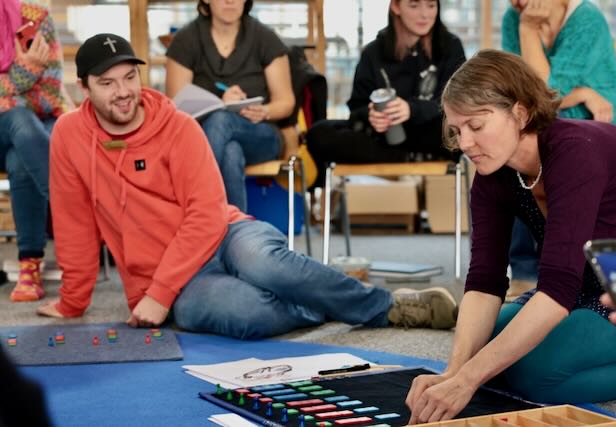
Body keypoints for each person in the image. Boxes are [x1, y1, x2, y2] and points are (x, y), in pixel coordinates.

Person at [35, 33, 458, 339]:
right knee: (243, 312)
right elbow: (74, 221)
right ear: (82, 88)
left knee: (266, 265)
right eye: (107, 83)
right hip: (168, 277)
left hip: (223, 233)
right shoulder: (70, 136)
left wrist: (159, 295)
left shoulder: (178, 126)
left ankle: (387, 306)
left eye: (130, 78)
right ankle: (324, 300)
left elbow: (206, 214)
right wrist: (73, 301)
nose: (123, 92)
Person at [405, 50, 616, 423]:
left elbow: (557, 288)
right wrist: (455, 371)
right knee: (490, 343)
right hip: (589, 281)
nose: (464, 143)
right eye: (457, 130)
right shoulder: (494, 172)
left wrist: (468, 379)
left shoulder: (574, 151)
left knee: (534, 371)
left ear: (520, 112)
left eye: (476, 126)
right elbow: (485, 281)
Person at [502, 0, 616, 298]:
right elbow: (515, 90)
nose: (517, 2)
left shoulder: (587, 19)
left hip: (601, 127)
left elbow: (545, 92)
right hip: (548, 125)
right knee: (517, 165)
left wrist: (528, 31)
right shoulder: (514, 16)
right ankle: (526, 273)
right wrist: (583, 93)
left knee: (591, 210)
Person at [305, 0, 465, 187]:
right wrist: (371, 115)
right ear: (396, 7)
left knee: (456, 132)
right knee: (319, 132)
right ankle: (408, 157)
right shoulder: (373, 52)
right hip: (383, 137)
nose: (425, 14)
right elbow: (356, 107)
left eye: (431, 6)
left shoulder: (451, 46)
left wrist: (411, 109)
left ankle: (410, 155)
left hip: (429, 132)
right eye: (414, 6)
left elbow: (457, 102)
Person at [164, 0, 295, 212]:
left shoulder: (265, 38)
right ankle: (233, 231)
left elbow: (286, 102)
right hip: (206, 138)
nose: (230, 1)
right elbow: (175, 109)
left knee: (221, 120)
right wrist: (220, 102)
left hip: (261, 134)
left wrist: (264, 111)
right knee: (231, 153)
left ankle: (193, 208)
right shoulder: (185, 40)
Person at [0, 0, 69, 302]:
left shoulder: (36, 18)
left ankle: (30, 265)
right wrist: (26, 71)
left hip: (37, 129)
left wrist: (7, 93)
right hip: (26, 129)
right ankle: (79, 214)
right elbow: (34, 90)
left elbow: (50, 94)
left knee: (20, 158)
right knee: (20, 120)